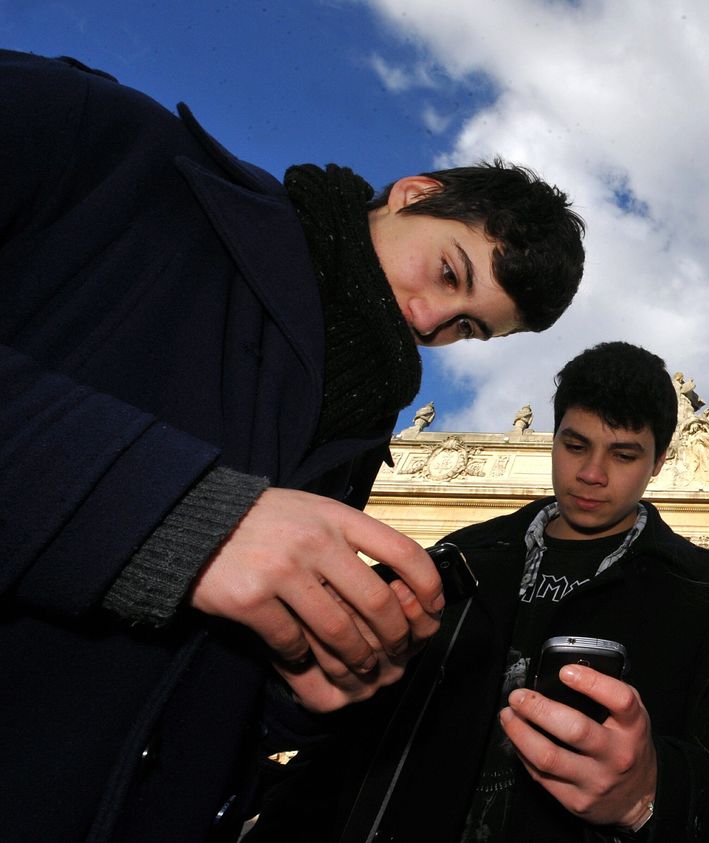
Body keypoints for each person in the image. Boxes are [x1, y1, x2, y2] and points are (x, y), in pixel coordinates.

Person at [0, 49, 584, 841]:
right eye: (446, 273)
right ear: (416, 193)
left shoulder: (350, 441)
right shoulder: (114, 150)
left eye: (467, 327)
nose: (425, 322)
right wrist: (176, 517)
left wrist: (302, 686)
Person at [248, 341, 709, 842]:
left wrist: (647, 794)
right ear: (553, 440)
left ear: (658, 463)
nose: (592, 474)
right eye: (574, 446)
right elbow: (355, 727)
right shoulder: (466, 554)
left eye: (623, 455)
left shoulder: (702, 584)